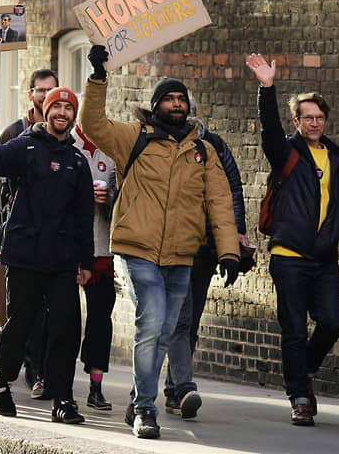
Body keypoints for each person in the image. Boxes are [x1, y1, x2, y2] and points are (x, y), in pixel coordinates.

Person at [79, 45, 240, 439]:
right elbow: (94, 124)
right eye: (168, 99)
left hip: (182, 254)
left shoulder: (203, 150)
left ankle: (139, 394)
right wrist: (98, 77)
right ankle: (145, 411)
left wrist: (229, 251)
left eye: (181, 99)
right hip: (138, 250)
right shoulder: (135, 137)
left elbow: (219, 202)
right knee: (151, 324)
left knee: (167, 331)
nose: (176, 104)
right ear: (156, 106)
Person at [246, 53, 339, 426]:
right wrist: (267, 87)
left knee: (331, 321)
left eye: (319, 117)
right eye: (307, 117)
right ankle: (299, 397)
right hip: (288, 255)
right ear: (297, 121)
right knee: (294, 329)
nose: (314, 123)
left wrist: (331, 237)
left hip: (324, 257)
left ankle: (306, 371)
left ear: (325, 121)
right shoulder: (287, 153)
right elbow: (267, 127)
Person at [0, 86, 94, 425]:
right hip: (25, 254)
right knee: (20, 325)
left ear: (73, 116)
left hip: (61, 260)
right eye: (56, 107)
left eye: (68, 109)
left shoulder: (77, 161)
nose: (62, 113)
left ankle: (63, 399)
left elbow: (83, 216)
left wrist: (85, 263)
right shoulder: (26, 145)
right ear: (45, 111)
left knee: (65, 330)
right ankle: (0, 382)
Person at [162, 91, 250, 419]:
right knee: (179, 318)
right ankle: (181, 387)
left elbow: (232, 191)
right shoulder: (158, 143)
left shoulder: (213, 145)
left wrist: (234, 238)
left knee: (191, 319)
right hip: (171, 245)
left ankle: (175, 388)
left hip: (204, 247)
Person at [0, 68, 58, 396]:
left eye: (52, 90)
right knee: (24, 310)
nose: (46, 96)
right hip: (19, 233)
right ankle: (26, 368)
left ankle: (42, 370)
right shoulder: (12, 134)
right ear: (30, 94)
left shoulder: (67, 136)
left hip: (53, 238)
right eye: (40, 91)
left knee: (50, 311)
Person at [72, 122, 117, 411]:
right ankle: (49, 378)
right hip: (68, 249)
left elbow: (123, 201)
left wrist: (109, 198)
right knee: (63, 321)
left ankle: (96, 387)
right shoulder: (65, 146)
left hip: (101, 250)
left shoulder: (111, 152)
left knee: (101, 320)